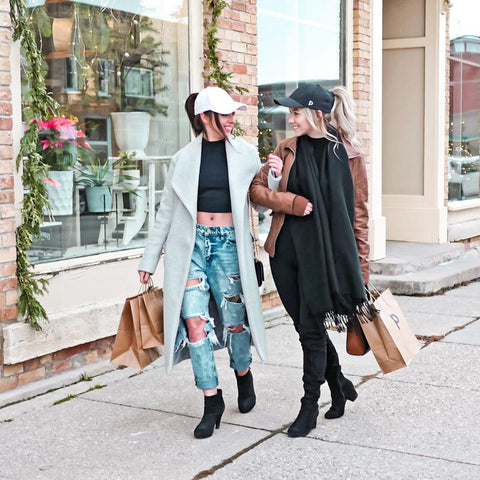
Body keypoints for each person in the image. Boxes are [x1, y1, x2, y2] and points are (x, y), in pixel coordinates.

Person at [138, 86, 267, 439]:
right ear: (205, 117)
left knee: (235, 321)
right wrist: (150, 258)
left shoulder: (246, 154)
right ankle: (212, 400)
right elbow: (165, 213)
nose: (231, 120)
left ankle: (242, 371)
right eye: (224, 114)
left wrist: (271, 177)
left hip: (229, 245)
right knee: (193, 322)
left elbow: (261, 205)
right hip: (191, 247)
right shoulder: (183, 159)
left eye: (232, 114)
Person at [250, 83, 370, 437]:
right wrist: (289, 199)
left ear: (317, 113)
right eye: (290, 113)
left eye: (296, 112)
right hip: (285, 254)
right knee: (307, 329)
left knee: (311, 331)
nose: (290, 119)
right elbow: (256, 192)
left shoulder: (348, 155)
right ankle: (339, 384)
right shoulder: (285, 149)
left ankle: (308, 405)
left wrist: (361, 271)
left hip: (325, 258)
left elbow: (359, 216)